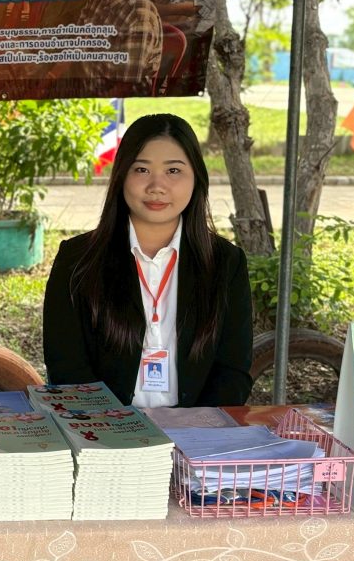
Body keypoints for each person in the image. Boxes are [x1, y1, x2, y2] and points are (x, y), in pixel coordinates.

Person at [42, 113, 252, 407]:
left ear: (197, 178)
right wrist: (117, 428)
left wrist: (195, 427)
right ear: (121, 176)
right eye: (141, 169)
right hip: (105, 427)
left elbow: (233, 370)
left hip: (199, 429)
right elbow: (66, 366)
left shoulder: (226, 263)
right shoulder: (77, 259)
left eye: (173, 171)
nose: (157, 186)